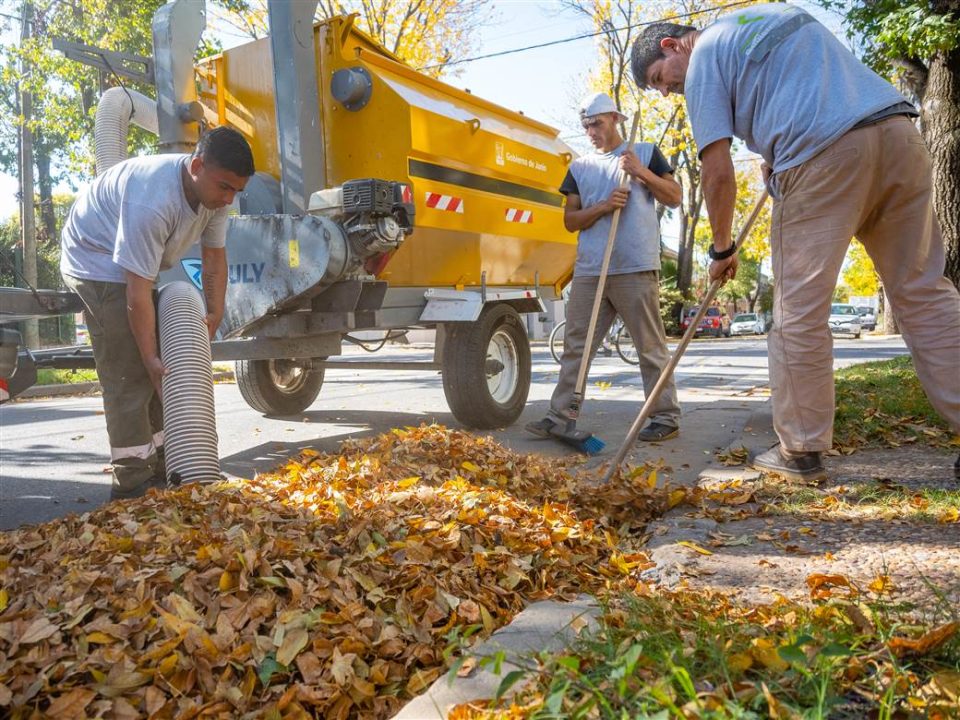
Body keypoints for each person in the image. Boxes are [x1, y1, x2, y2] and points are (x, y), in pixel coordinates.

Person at [631, 3, 960, 481]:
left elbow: (717, 172)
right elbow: (812, 86)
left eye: (661, 79)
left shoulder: (701, 59)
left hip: (821, 157)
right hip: (897, 136)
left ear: (672, 44)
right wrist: (771, 151)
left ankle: (800, 450)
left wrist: (721, 248)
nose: (667, 91)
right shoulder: (771, 16)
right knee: (925, 294)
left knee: (798, 312)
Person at [60, 126, 255, 499]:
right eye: (225, 187)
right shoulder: (153, 200)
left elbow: (214, 256)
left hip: (130, 262)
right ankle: (132, 483)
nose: (230, 199)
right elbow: (135, 291)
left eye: (237, 191)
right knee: (130, 370)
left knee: (164, 366)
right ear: (197, 166)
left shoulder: (214, 195)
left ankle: (170, 462)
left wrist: (214, 312)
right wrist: (149, 357)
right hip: (94, 259)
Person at [526, 92, 683, 443]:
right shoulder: (579, 168)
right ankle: (561, 416)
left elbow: (674, 196)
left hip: (634, 266)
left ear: (615, 118)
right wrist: (602, 207)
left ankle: (665, 418)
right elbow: (570, 221)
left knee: (649, 346)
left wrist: (640, 172)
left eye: (596, 123)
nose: (591, 131)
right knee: (576, 345)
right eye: (585, 126)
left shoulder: (643, 153)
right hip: (590, 271)